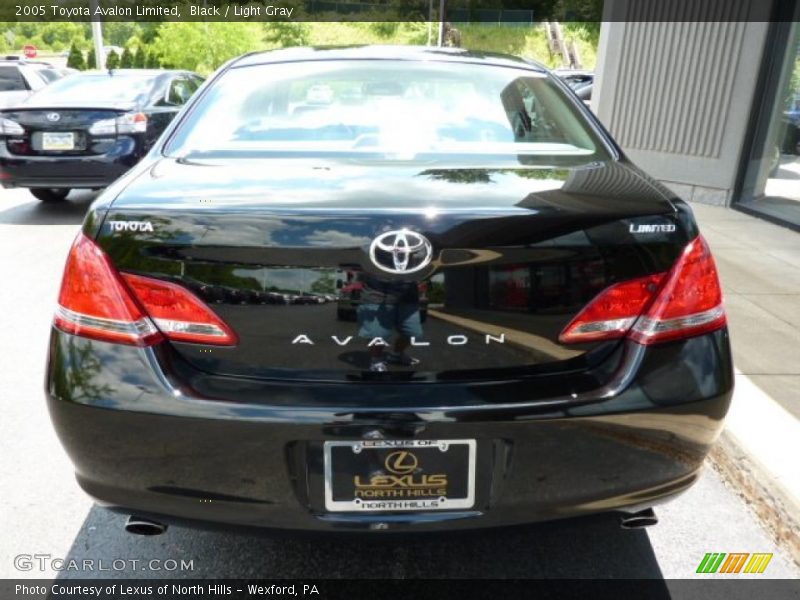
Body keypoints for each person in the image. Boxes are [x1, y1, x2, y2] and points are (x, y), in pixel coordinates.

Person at [356, 274, 423, 372]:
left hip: (409, 296)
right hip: (377, 294)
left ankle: (396, 355)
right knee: (377, 333)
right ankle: (376, 361)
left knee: (412, 331)